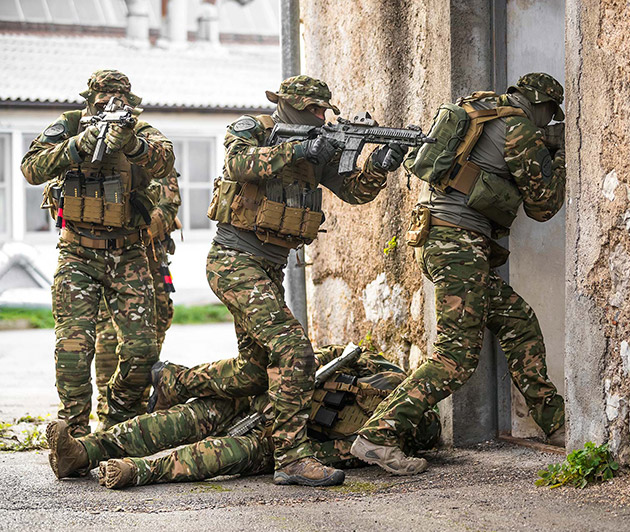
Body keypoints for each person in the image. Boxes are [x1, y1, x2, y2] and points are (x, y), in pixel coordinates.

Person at [148, 75, 407, 486]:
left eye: (325, 111)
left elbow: (354, 192)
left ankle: (174, 381)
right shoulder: (252, 129)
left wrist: (378, 165)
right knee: (295, 353)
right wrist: (301, 147)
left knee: (254, 371)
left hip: (269, 268)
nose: (322, 116)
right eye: (314, 111)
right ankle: (290, 459)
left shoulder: (319, 148)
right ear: (290, 107)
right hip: (234, 261)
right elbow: (239, 164)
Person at [351, 72, 568, 475]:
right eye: (550, 115)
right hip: (459, 245)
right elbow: (543, 206)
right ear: (540, 104)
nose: (547, 123)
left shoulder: (481, 111)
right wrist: (560, 157)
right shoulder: (518, 126)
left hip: (444, 240)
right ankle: (378, 436)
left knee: (518, 320)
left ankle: (555, 424)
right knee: (455, 358)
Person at [20, 69, 175, 437]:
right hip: (77, 253)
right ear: (90, 100)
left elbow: (165, 161)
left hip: (128, 254)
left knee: (142, 350)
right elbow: (31, 168)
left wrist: (132, 144)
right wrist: (80, 143)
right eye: (102, 102)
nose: (109, 107)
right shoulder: (71, 125)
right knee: (74, 348)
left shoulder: (140, 131)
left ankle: (118, 418)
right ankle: (73, 433)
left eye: (118, 102)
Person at [45, 345, 441, 489]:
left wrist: (285, 436)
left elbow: (334, 452)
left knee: (222, 453)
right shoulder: (376, 367)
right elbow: (320, 354)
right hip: (262, 400)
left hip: (282, 444)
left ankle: (138, 472)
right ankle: (81, 452)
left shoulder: (385, 440)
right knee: (181, 420)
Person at [93, 169, 181, 430]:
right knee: (109, 334)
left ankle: (138, 403)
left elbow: (168, 206)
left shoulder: (154, 157)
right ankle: (108, 410)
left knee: (155, 327)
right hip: (111, 258)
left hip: (151, 257)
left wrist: (136, 225)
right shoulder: (102, 158)